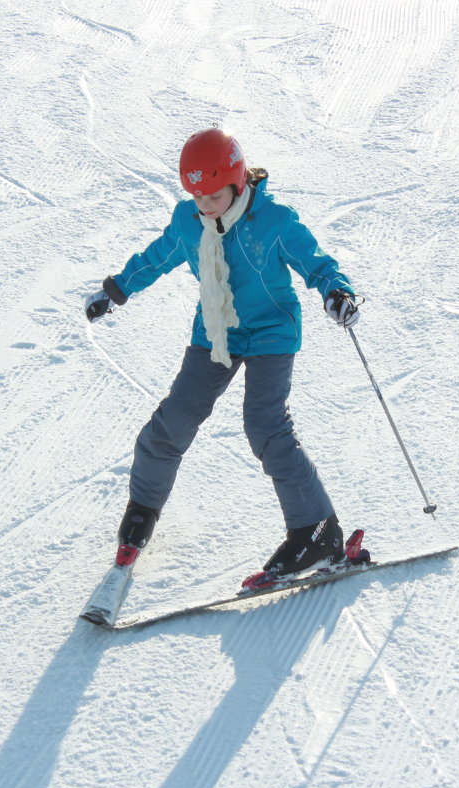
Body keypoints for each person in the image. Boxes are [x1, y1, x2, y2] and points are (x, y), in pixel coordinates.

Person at [84, 128, 361, 580]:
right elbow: (156, 258)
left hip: (272, 331)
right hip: (217, 331)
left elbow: (317, 263)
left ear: (236, 182)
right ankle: (141, 514)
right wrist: (115, 291)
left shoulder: (273, 220)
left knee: (265, 426)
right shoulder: (188, 221)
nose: (203, 205)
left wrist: (336, 292)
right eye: (195, 195)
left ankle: (317, 533)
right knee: (173, 420)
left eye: (212, 195)